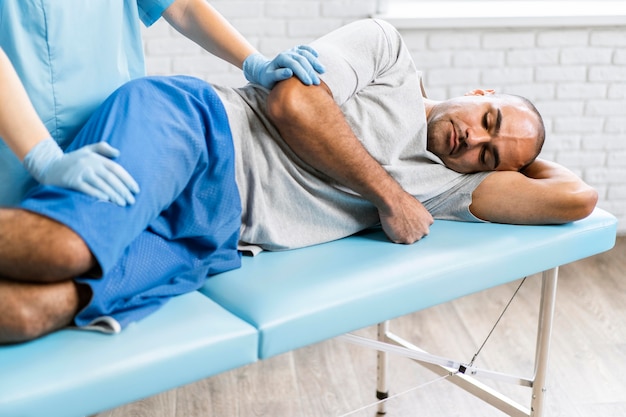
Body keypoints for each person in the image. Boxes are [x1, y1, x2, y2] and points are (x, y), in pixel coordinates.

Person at [0, 19, 597, 344]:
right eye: (487, 121)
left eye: (490, 156)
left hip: (212, 237)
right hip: (198, 131)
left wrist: (518, 156)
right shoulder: (387, 52)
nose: (474, 141)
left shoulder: (448, 189)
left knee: (34, 312)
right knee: (62, 249)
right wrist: (390, 198)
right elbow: (292, 104)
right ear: (480, 92)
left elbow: (575, 200)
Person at [0, 0, 324, 205]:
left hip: (117, 133)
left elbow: (181, 6)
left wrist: (253, 62)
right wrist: (44, 158)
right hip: (23, 145)